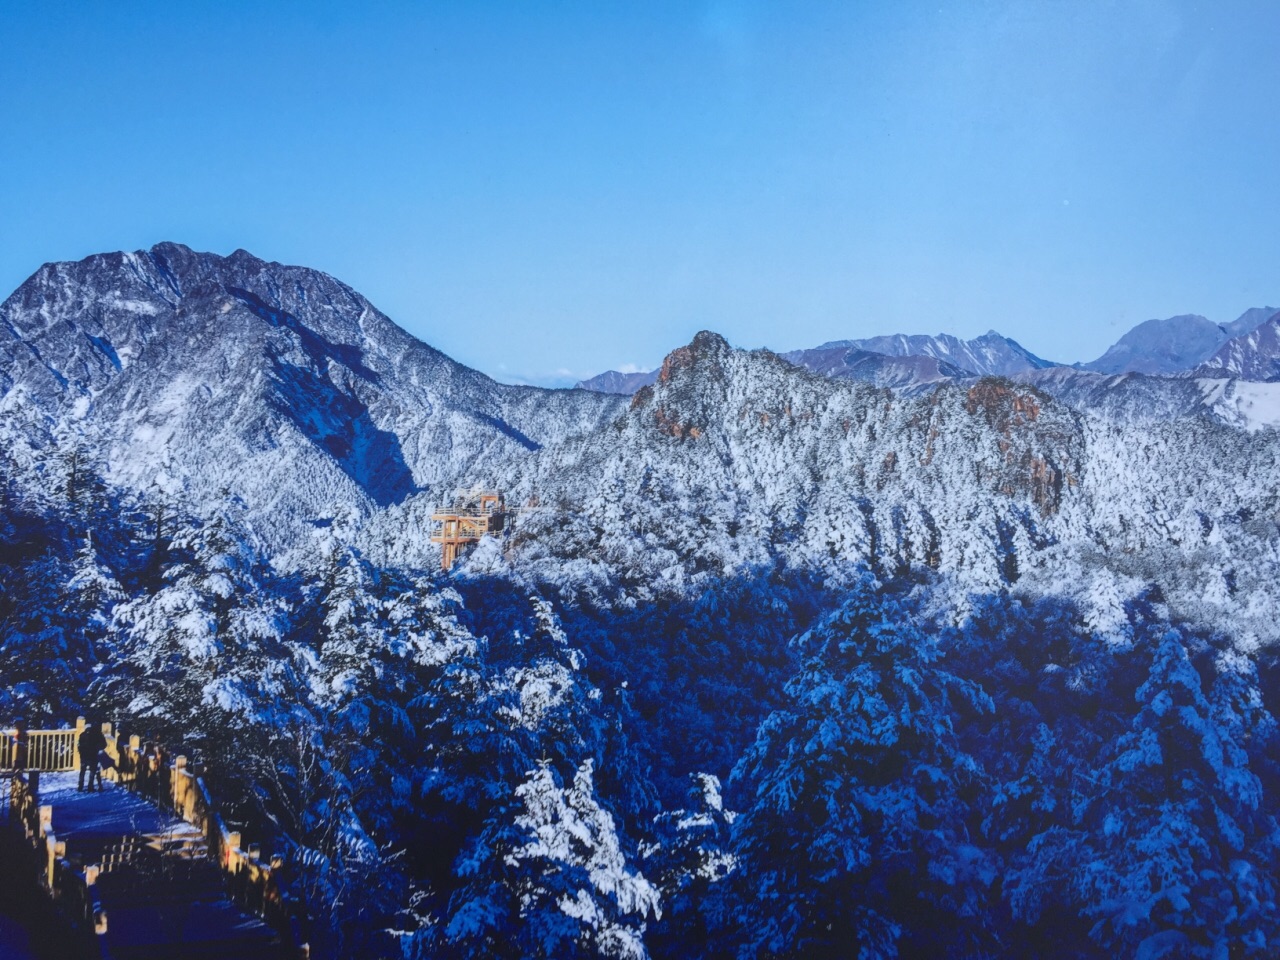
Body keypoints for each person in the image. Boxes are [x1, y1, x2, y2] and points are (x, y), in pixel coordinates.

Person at [78, 722, 107, 792]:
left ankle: (80, 786)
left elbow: (79, 746)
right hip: (93, 756)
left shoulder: (82, 735)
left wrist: (81, 753)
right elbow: (104, 744)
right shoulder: (97, 734)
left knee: (82, 771)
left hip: (84, 756)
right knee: (92, 771)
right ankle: (90, 787)